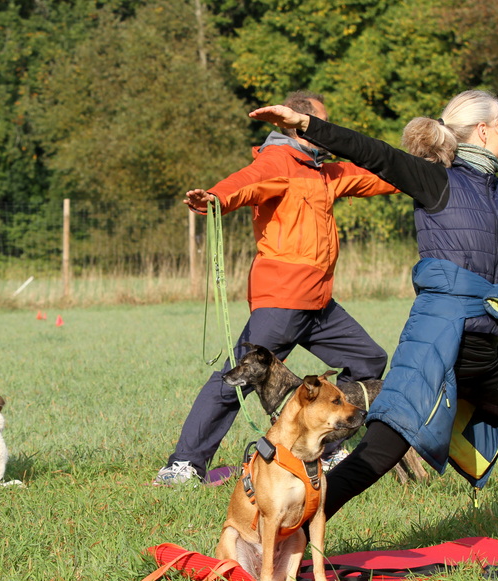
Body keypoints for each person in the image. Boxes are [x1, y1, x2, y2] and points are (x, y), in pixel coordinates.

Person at [250, 90, 498, 581]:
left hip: (482, 357)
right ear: (482, 131)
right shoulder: (435, 181)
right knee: (379, 454)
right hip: (437, 349)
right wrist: (304, 124)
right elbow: (373, 151)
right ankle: (270, 539)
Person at [153, 90, 397, 486]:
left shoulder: (323, 170)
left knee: (369, 360)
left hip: (318, 302)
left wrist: (423, 174)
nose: (328, 131)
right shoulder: (278, 161)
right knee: (237, 381)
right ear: (298, 123)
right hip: (281, 300)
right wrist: (213, 198)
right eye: (322, 123)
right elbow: (244, 184)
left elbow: (375, 177)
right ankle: (184, 464)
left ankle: (328, 447)